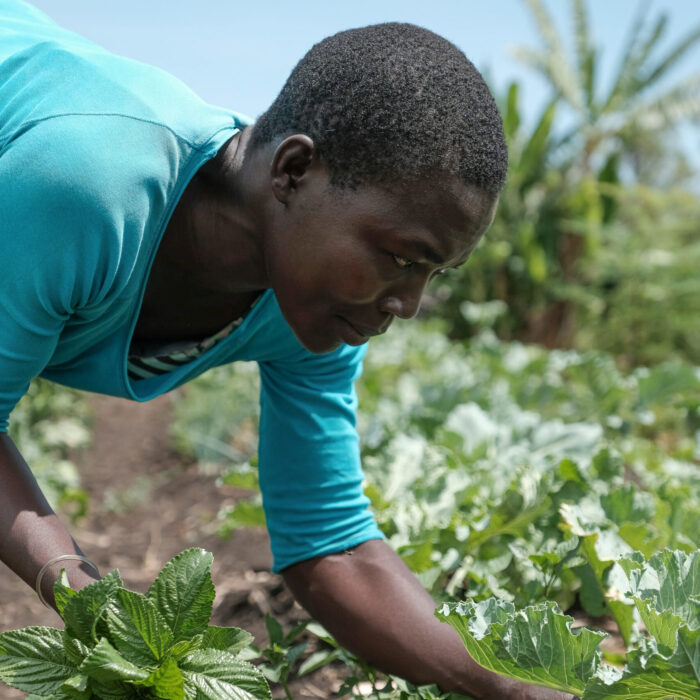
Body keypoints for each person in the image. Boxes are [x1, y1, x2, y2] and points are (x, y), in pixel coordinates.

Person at [0, 2, 572, 698]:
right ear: (294, 171)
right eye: (399, 256)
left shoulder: (312, 310)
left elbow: (332, 544)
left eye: (434, 273)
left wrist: (524, 688)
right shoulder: (89, 189)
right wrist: (79, 588)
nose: (409, 303)